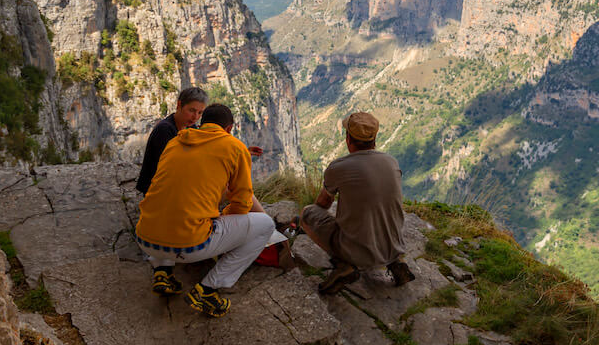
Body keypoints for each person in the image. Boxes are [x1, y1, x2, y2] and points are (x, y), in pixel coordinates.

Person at [135, 103, 274, 317]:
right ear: (229, 129)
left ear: (203, 123)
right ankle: (207, 290)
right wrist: (220, 217)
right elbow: (242, 204)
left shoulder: (176, 141)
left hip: (145, 238)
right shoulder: (234, 148)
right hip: (190, 246)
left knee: (171, 203)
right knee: (265, 224)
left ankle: (163, 272)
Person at [300, 111, 414, 295]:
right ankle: (396, 262)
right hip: (394, 245)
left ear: (348, 139)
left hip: (357, 251)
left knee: (307, 213)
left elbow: (322, 204)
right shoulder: (391, 162)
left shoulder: (338, 168)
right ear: (374, 138)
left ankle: (344, 264)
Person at [136, 87, 208, 195]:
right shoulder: (165, 130)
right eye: (192, 110)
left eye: (200, 112)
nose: (195, 117)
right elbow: (170, 167)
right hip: (157, 191)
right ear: (179, 105)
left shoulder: (191, 128)